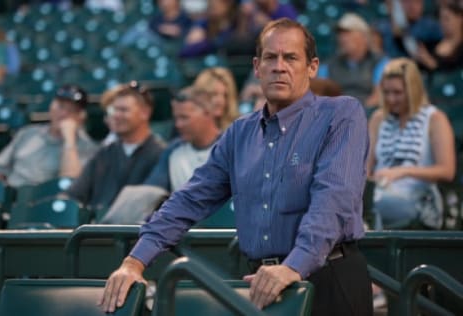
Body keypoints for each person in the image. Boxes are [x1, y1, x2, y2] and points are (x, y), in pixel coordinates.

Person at [99, 18, 372, 315]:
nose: (279, 66)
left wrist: (294, 265)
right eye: (270, 57)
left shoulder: (341, 114)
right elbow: (189, 199)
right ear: (257, 68)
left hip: (328, 278)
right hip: (260, 285)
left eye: (291, 57)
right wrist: (134, 262)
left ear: (312, 67)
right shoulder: (240, 132)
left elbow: (333, 199)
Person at [100, 85, 221, 224]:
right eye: (176, 118)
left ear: (207, 114)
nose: (178, 124)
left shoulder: (232, 147)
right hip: (185, 233)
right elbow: (150, 191)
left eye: (185, 118)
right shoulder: (173, 150)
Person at [367, 57, 455, 229]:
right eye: (386, 93)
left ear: (413, 90)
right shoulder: (378, 118)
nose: (391, 99)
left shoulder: (435, 119)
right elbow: (366, 168)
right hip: (380, 191)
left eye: (398, 93)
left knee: (380, 206)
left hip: (419, 198)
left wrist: (403, 172)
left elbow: (447, 170)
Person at [66, 81, 166, 216]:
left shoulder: (162, 153)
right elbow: (75, 194)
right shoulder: (104, 153)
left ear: (145, 113)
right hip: (96, 231)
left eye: (123, 110)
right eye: (113, 110)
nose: (116, 115)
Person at [0, 84, 97, 187]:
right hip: (11, 198)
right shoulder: (27, 133)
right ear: (51, 106)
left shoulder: (86, 147)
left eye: (71, 110)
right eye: (61, 106)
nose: (63, 114)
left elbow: (70, 183)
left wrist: (69, 139)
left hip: (43, 202)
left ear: (81, 116)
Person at [318, 13, 389, 107]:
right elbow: (320, 97)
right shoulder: (328, 66)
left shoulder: (380, 62)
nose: (342, 38)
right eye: (340, 34)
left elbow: (379, 96)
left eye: (347, 33)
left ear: (364, 37)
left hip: (368, 114)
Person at [414, 0, 463, 72]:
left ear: (460, 19)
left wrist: (431, 64)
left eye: (447, 19)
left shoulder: (461, 49)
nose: (443, 23)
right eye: (441, 19)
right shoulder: (432, 43)